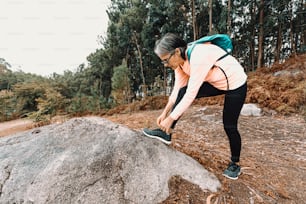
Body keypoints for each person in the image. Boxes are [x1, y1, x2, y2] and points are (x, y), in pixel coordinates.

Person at [142, 33, 247, 180]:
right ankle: (166, 133)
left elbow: (191, 94)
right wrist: (165, 113)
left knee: (229, 125)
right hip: (216, 82)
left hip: (236, 84)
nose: (166, 65)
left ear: (177, 52)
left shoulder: (198, 56)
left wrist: (171, 118)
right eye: (163, 62)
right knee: (182, 91)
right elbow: (178, 89)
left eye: (166, 60)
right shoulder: (179, 63)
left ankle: (235, 164)